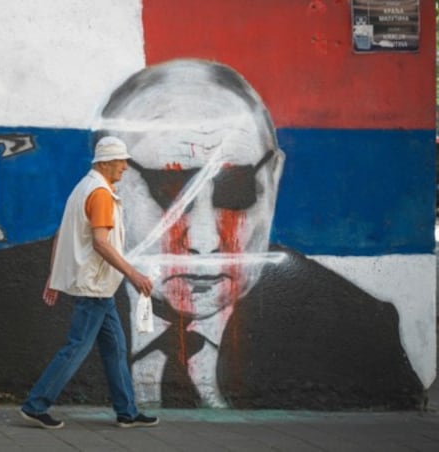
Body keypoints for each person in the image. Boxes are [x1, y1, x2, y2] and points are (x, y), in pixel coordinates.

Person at [97, 58, 424, 409]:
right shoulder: (45, 298)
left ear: (273, 179)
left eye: (237, 190)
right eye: (168, 189)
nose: (204, 243)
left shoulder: (356, 325)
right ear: (114, 179)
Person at [19, 136, 159, 429]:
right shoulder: (100, 194)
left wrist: (54, 276)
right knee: (76, 347)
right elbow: (100, 243)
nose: (124, 167)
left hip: (98, 287)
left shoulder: (83, 188)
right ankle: (36, 405)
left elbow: (62, 233)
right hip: (94, 286)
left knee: (115, 348)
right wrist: (133, 274)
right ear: (106, 162)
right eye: (121, 161)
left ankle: (127, 412)